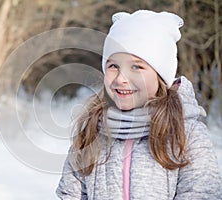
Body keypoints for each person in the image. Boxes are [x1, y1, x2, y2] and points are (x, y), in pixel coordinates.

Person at [56, 10, 222, 199]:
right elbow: (70, 194)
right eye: (113, 66)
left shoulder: (187, 133)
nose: (121, 78)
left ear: (160, 75)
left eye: (137, 67)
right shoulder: (93, 130)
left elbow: (201, 193)